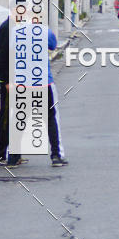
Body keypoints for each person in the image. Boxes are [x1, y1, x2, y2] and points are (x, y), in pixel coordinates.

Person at [0, 15, 27, 167]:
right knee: (7, 118)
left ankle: (16, 153)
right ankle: (1, 154)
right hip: (11, 81)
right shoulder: (7, 28)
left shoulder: (17, 27)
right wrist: (6, 81)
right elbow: (2, 56)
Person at [47, 28, 68, 167]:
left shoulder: (15, 33)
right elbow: (53, 45)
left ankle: (13, 156)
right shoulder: (44, 32)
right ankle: (56, 155)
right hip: (43, 82)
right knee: (51, 119)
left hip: (22, 82)